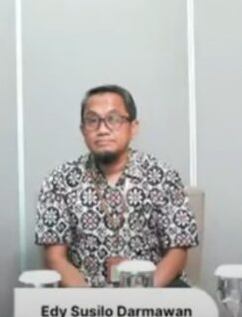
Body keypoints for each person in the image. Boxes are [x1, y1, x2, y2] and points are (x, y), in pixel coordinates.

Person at [35, 84, 199, 288]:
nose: (102, 129)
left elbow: (178, 251)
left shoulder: (163, 177)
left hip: (152, 292)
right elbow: (55, 258)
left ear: (133, 127)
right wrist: (91, 304)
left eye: (113, 119)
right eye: (92, 120)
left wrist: (143, 297)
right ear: (82, 130)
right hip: (84, 295)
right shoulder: (59, 181)